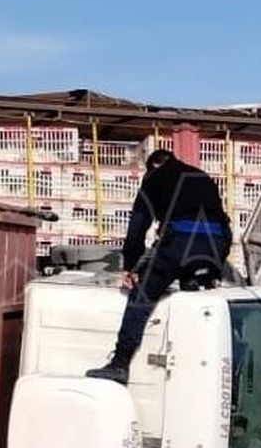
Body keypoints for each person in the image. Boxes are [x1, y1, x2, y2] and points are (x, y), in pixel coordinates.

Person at [86, 148, 232, 385]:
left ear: (152, 166)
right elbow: (222, 220)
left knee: (142, 294)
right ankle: (197, 357)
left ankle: (119, 364)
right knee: (191, 288)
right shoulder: (201, 176)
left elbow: (138, 226)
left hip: (180, 242)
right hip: (216, 245)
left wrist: (131, 267)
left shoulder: (154, 178)